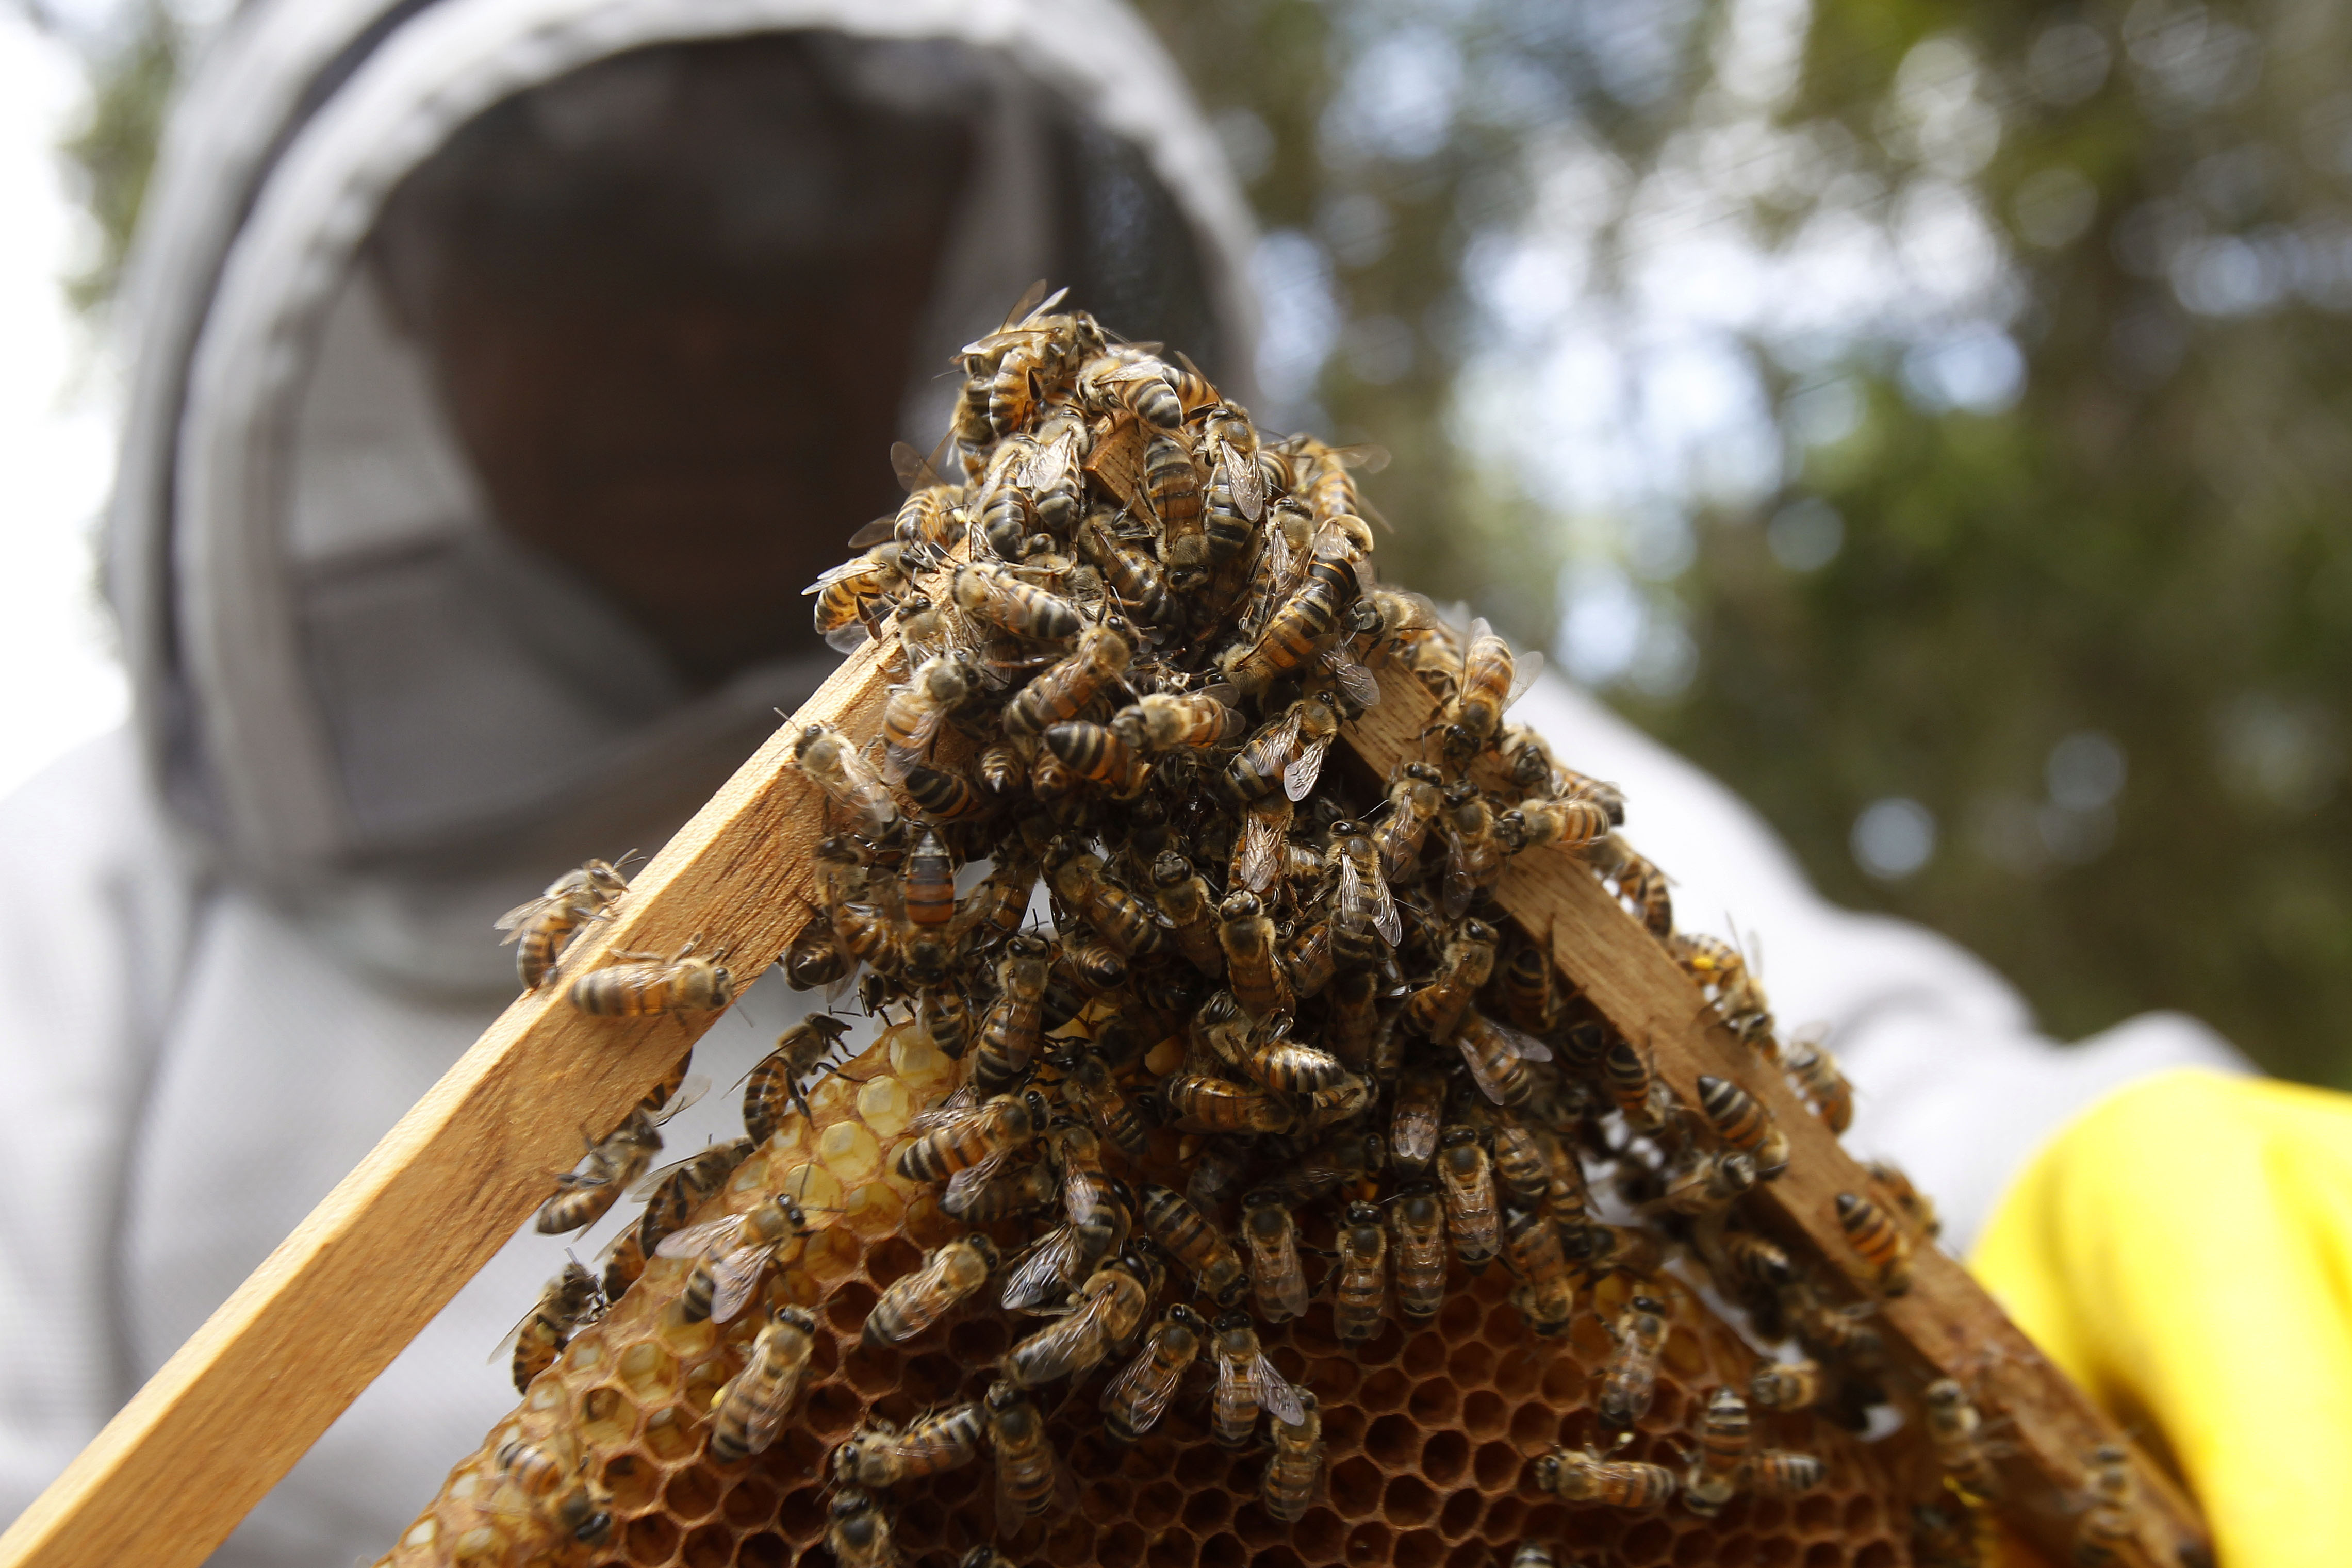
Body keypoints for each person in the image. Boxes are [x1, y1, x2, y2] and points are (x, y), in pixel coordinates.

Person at [0, 2, 2334, 1564]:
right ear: (396, 290)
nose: (695, 328)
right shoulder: (65, 924)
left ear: (949, 223)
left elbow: (1774, 1067)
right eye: (570, 237)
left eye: (799, 213)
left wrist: (2075, 1165)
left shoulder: (1314, 728)